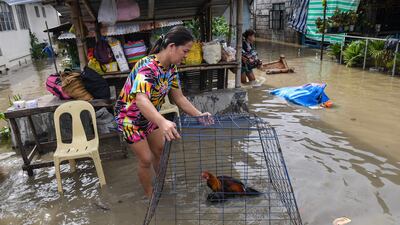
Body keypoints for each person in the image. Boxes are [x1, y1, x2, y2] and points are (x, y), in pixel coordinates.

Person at [114, 26, 212, 198]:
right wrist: (162, 121)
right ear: (172, 46)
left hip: (151, 115)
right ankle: (150, 194)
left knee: (160, 149)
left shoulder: (171, 69)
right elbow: (141, 100)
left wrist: (199, 114)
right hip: (129, 118)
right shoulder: (148, 67)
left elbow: (179, 98)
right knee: (145, 159)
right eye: (185, 51)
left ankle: (161, 183)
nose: (186, 55)